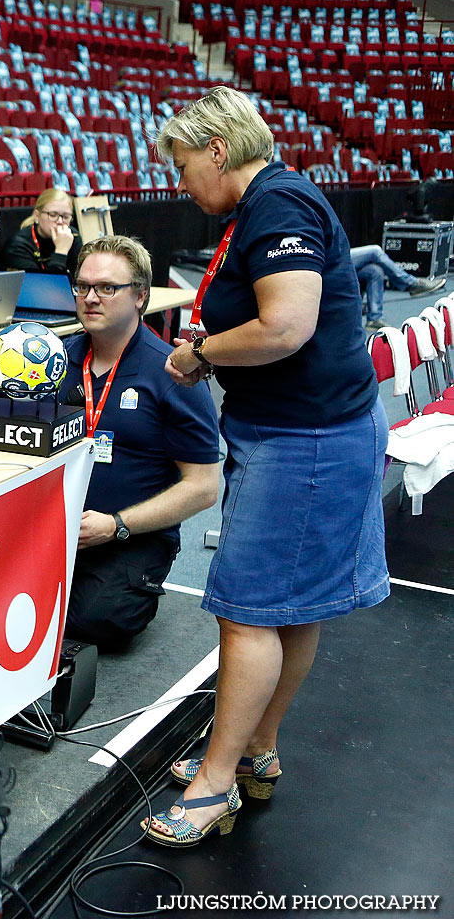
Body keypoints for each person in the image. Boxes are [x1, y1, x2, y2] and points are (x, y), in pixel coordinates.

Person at [151, 86, 389, 847]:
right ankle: (256, 750)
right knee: (293, 606)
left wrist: (201, 353)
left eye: (186, 167)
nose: (182, 186)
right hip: (303, 431)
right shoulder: (261, 207)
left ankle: (218, 784)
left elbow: (285, 327)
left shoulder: (278, 206)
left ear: (219, 151)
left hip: (306, 441)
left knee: (249, 611)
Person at [57, 235, 220, 650]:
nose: (91, 298)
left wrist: (117, 525)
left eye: (108, 288)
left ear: (140, 297)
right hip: (57, 525)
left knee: (101, 620)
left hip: (132, 534)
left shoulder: (173, 375)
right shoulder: (53, 361)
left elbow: (202, 488)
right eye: (83, 286)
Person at [350, 243, 444, 330]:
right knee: (375, 251)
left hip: (341, 256)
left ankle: (374, 319)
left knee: (375, 271)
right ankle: (410, 284)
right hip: (336, 259)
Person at [3, 187, 76, 275]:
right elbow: (45, 285)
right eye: (53, 215)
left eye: (66, 217)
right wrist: (61, 251)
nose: (60, 222)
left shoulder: (72, 236)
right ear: (37, 216)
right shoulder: (18, 246)